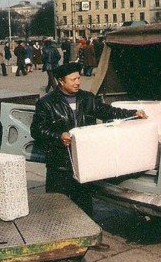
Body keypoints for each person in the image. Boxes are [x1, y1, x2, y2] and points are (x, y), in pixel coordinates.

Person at [31, 62, 147, 217]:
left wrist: (133, 113)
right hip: (60, 166)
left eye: (78, 78)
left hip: (84, 164)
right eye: (72, 79)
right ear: (61, 81)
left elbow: (108, 111)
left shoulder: (87, 98)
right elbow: (37, 130)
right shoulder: (46, 103)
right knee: (56, 209)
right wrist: (58, 137)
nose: (77, 82)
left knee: (84, 206)